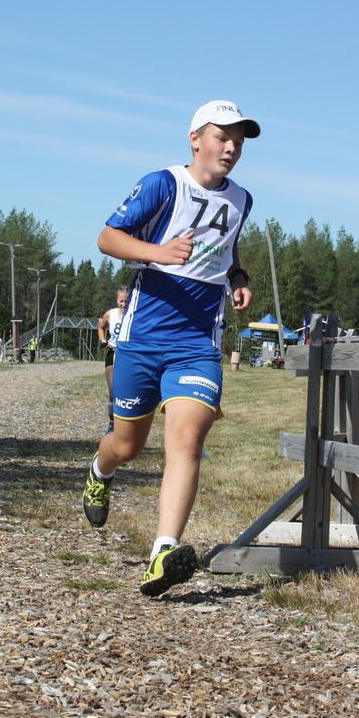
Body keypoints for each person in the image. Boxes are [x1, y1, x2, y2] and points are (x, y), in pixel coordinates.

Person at [81, 99, 257, 597]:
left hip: (197, 343)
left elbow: (227, 246)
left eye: (238, 141)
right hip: (144, 339)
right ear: (195, 139)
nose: (231, 148)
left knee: (187, 441)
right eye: (222, 137)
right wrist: (158, 253)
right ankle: (100, 470)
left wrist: (238, 278)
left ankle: (163, 552)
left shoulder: (243, 200)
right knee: (127, 445)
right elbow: (107, 237)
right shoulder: (163, 184)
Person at [98, 288, 129, 432]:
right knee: (113, 390)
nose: (124, 304)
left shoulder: (135, 314)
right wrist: (103, 340)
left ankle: (125, 423)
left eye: (126, 301)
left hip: (128, 355)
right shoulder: (110, 314)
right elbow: (101, 327)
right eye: (121, 301)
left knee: (127, 391)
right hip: (113, 352)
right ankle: (112, 423)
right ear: (117, 301)